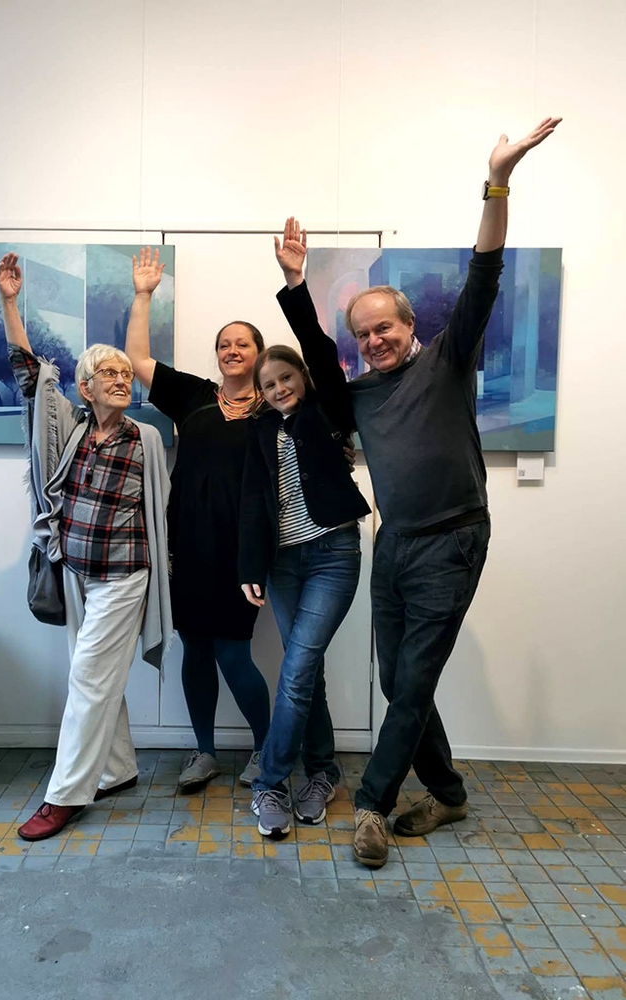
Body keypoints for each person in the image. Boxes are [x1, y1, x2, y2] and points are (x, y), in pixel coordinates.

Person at [274, 117, 562, 868]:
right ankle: (449, 793)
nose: (375, 341)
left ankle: (372, 804)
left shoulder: (448, 360)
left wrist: (497, 181)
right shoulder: (357, 396)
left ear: (410, 325)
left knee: (411, 681)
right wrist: (297, 286)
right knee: (402, 679)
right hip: (394, 541)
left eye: (386, 328)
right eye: (363, 334)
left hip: (455, 538)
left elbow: (485, 272)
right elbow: (317, 357)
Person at [0, 252, 172, 841]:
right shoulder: (70, 430)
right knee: (92, 675)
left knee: (89, 681)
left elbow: (162, 512)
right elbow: (30, 376)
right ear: (85, 387)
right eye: (109, 375)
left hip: (124, 577)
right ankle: (117, 769)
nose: (122, 381)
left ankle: (64, 795)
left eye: (126, 374)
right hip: (76, 573)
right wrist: (10, 304)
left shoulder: (144, 438)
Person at [125, 248, 270, 791]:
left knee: (234, 652)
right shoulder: (193, 395)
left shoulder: (274, 406)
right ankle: (204, 751)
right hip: (186, 546)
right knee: (196, 649)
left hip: (242, 552)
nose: (232, 350)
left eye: (243, 343)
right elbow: (137, 358)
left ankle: (267, 750)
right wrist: (143, 295)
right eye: (224, 344)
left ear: (259, 354)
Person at [239, 337, 370, 838]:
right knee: (307, 672)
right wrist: (249, 567)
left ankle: (269, 783)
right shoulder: (261, 429)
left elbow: (322, 361)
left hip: (333, 555)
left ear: (303, 376)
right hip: (284, 564)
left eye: (286, 377)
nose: (279, 389)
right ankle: (322, 773)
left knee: (295, 673)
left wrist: (293, 293)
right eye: (269, 384)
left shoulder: (325, 412)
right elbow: (253, 500)